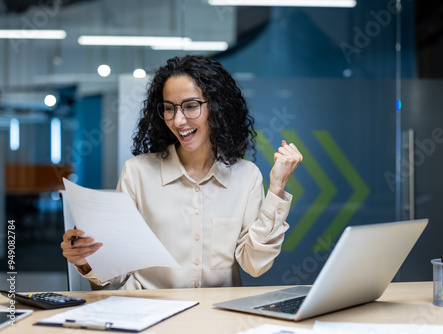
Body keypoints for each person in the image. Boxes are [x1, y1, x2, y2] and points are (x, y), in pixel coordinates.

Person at [61, 54, 303, 290]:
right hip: (149, 317)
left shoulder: (246, 176)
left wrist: (277, 187)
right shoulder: (137, 173)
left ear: (217, 108)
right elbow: (117, 272)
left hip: (215, 319)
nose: (178, 121)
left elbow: (255, 264)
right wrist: (86, 260)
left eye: (191, 106)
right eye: (169, 109)